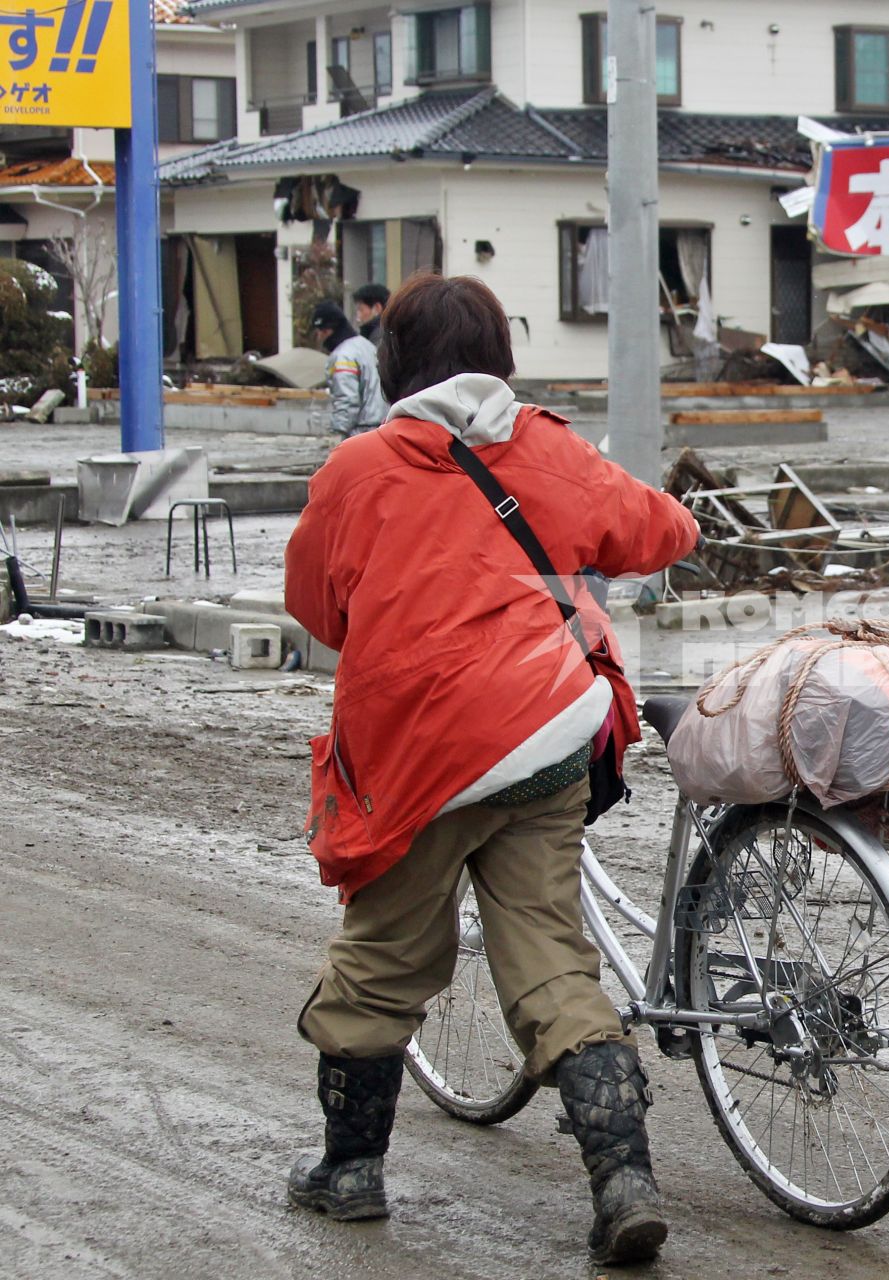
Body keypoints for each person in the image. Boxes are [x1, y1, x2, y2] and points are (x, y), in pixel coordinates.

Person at [283, 274, 699, 1266]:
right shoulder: (548, 448)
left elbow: (315, 603)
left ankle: (348, 1171)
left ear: (396, 363)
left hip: (421, 756)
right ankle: (624, 1179)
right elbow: (663, 532)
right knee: (551, 958)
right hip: (546, 737)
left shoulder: (360, 468)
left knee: (383, 957)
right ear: (501, 357)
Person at [311, 299, 388, 438]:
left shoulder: (343, 356)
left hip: (362, 430)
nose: (319, 337)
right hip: (384, 424)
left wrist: (337, 432)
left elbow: (347, 400)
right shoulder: (367, 346)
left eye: (320, 332)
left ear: (326, 330)